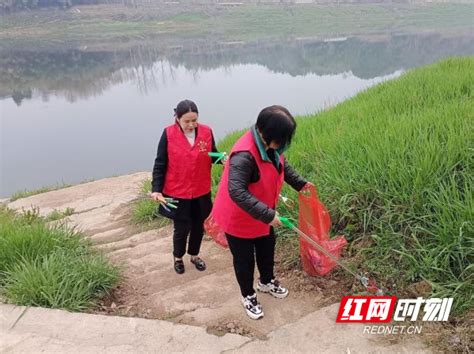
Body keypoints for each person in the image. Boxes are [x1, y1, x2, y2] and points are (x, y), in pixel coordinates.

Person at [211, 105, 312, 320]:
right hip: (238, 217)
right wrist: (268, 215)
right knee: (244, 259)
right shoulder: (244, 156)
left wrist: (301, 185)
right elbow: (236, 191)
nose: (284, 143)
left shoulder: (271, 146)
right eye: (282, 138)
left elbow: (282, 167)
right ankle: (247, 295)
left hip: (262, 212)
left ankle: (266, 281)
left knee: (267, 248)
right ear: (265, 132)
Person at [151, 99, 221, 274]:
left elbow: (212, 153)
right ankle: (178, 257)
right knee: (181, 228)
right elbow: (160, 163)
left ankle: (195, 255)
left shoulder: (206, 131)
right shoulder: (168, 134)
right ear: (177, 119)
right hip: (177, 190)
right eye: (187, 121)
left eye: (194, 120)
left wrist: (223, 158)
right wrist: (156, 189)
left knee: (199, 226)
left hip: (201, 189)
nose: (191, 125)